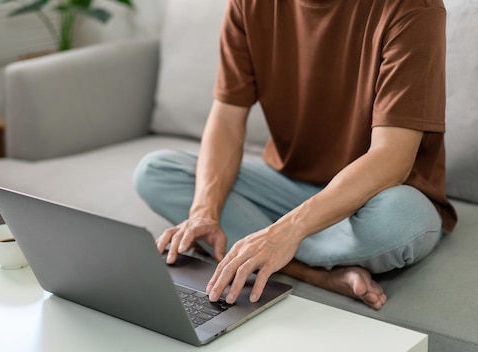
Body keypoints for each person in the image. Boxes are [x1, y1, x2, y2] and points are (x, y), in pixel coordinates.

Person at [133, 0, 457, 310]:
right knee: (157, 172)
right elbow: (228, 118)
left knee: (401, 219)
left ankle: (265, 247)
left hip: (378, 197)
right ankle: (312, 272)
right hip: (288, 187)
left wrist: (284, 232)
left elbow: (392, 159)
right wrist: (204, 212)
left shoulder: (413, 7)